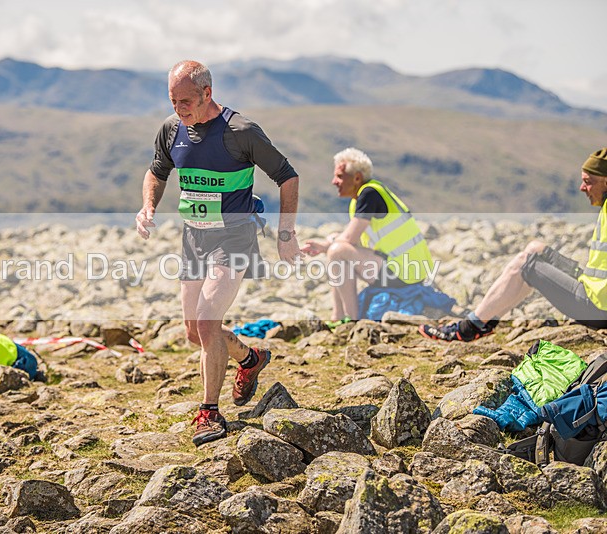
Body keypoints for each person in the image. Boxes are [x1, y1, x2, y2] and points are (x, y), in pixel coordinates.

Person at [135, 60, 301, 446]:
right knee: (195, 333)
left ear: (207, 93)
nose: (180, 109)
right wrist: (148, 207)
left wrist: (286, 232)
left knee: (209, 324)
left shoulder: (240, 131)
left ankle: (209, 413)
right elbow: (157, 171)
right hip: (195, 240)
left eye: (186, 101)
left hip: (235, 240)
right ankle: (249, 359)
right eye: (173, 100)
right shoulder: (171, 129)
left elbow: (287, 175)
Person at [420, 148, 607, 342]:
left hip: (596, 306)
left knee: (526, 264)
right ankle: (483, 324)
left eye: (588, 181)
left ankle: (469, 328)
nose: (581, 188)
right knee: (535, 248)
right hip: (593, 289)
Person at [301, 147, 435, 322]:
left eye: (340, 176)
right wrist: (328, 243)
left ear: (357, 177)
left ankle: (351, 320)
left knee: (336, 252)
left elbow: (349, 240)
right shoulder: (365, 195)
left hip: (405, 272)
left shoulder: (369, 193)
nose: (334, 181)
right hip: (407, 268)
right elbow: (350, 239)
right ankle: (338, 317)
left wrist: (325, 246)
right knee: (336, 245)